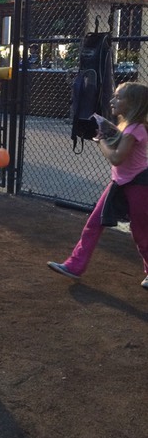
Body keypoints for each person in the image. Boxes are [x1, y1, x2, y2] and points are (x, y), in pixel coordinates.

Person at [47, 82, 148, 289]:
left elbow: (117, 158)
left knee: (141, 231)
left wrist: (100, 140)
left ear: (134, 103)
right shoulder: (127, 126)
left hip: (139, 184)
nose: (113, 101)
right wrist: (109, 134)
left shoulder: (134, 129)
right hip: (120, 182)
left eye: (119, 97)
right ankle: (74, 266)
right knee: (94, 223)